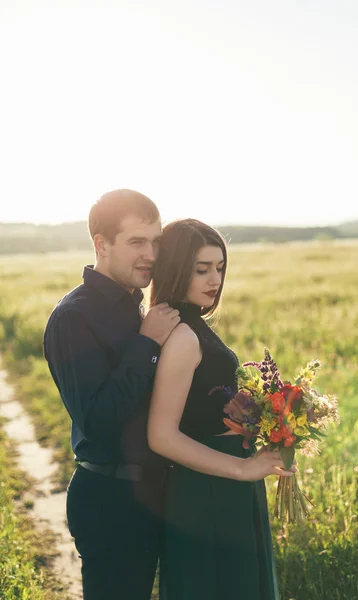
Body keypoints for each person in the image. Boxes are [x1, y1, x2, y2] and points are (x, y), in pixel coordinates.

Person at [147, 218, 296, 600]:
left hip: (226, 483)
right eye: (201, 269)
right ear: (177, 269)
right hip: (207, 488)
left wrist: (264, 421)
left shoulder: (194, 325)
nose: (214, 279)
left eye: (219, 267)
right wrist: (243, 468)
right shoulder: (182, 336)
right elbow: (161, 436)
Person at [43, 189, 181, 599]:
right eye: (137, 242)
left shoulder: (137, 307)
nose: (152, 255)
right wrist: (147, 344)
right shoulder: (74, 317)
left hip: (155, 494)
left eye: (157, 242)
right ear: (102, 245)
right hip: (110, 501)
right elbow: (100, 420)